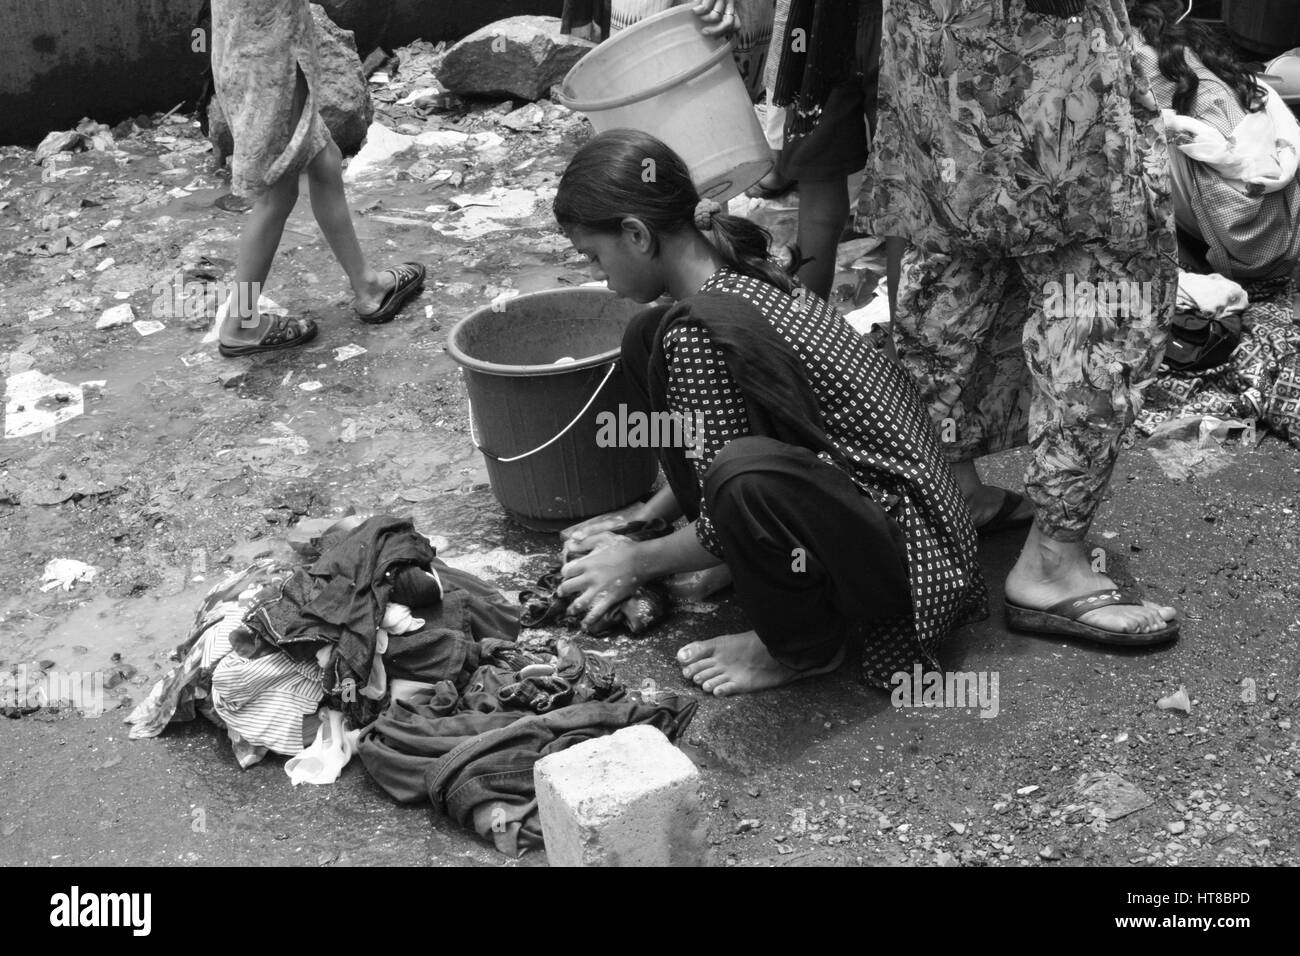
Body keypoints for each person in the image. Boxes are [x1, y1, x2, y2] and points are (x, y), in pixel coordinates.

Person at [551, 129, 986, 697]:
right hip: (868, 515)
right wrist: (644, 516)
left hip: (915, 561)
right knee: (644, 337)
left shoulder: (702, 332)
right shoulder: (733, 278)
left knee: (743, 477)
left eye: (595, 256)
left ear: (636, 235)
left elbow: (733, 464)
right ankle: (743, 559)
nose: (602, 278)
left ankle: (803, 647)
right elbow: (718, 428)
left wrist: (636, 562)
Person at [860, 0, 1181, 645]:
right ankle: (1051, 563)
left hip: (939, 50)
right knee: (1103, 294)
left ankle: (951, 492)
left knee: (959, 255)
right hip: (1046, 58)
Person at [210, 0, 425, 358]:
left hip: (259, 44)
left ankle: (368, 286)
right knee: (276, 193)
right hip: (268, 55)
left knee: (324, 160)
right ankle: (240, 321)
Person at [1129, 0, 1300, 282]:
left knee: (1132, 135)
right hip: (1285, 227)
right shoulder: (1175, 39)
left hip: (1248, 246)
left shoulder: (1132, 51)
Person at [757, 0, 883, 299]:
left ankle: (806, 329)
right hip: (825, 21)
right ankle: (810, 325)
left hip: (827, 20)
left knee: (900, 190)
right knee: (901, 191)